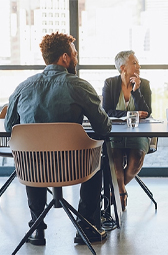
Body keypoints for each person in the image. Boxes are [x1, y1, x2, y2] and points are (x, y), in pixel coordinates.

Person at [4, 32, 112, 245]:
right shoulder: (79, 85)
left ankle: (36, 228)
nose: (77, 58)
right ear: (65, 57)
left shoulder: (23, 87)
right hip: (74, 168)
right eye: (75, 54)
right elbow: (104, 127)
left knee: (33, 152)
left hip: (32, 170)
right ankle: (87, 228)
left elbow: (10, 127)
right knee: (99, 151)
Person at [102, 50, 151, 212]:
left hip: (138, 133)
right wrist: (132, 114)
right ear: (123, 67)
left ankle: (113, 190)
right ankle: (121, 192)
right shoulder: (110, 84)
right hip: (115, 133)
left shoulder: (144, 84)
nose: (139, 66)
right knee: (114, 159)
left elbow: (147, 112)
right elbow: (107, 111)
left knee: (134, 162)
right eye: (135, 63)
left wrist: (136, 91)